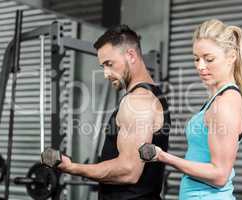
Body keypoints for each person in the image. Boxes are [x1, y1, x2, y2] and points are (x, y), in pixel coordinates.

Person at [139, 19, 242, 199]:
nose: (200, 66)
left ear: (231, 57)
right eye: (196, 59)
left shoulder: (225, 103)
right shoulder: (216, 100)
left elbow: (220, 175)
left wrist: (163, 157)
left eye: (209, 59)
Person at [56, 25, 171, 200]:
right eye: (103, 66)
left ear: (131, 55)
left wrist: (73, 168)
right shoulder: (150, 95)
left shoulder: (138, 101)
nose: (105, 73)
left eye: (109, 64)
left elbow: (129, 171)